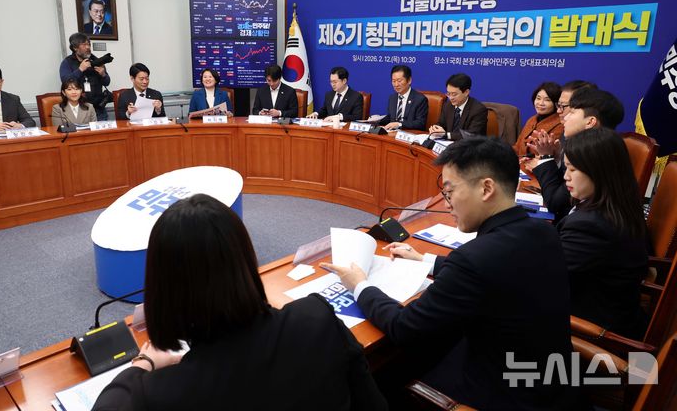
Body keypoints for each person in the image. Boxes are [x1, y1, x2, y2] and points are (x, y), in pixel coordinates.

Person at [322, 137, 581, 410]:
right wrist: (425, 259)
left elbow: (404, 327)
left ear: (486, 188)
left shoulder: (474, 259)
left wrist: (360, 285)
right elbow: (496, 270)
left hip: (506, 395)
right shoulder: (543, 232)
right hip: (551, 382)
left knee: (383, 374)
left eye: (449, 192)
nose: (447, 204)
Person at [92, 194, 387, 411]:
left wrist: (142, 365)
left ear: (162, 286)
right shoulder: (316, 317)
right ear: (245, 259)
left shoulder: (161, 394)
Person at [559, 127, 648, 339]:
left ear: (598, 170)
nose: (565, 177)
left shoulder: (591, 226)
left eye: (572, 169)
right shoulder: (619, 203)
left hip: (594, 332)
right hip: (615, 311)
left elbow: (544, 274)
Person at [530, 87, 624, 222]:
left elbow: (555, 202)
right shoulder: (600, 146)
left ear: (590, 122)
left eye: (572, 112)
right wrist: (556, 158)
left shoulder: (590, 154)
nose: (564, 117)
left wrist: (547, 158)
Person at [59, 32, 111, 120]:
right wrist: (80, 70)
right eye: (84, 44)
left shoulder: (96, 60)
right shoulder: (67, 62)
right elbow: (65, 82)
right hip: (78, 109)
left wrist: (103, 74)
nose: (88, 47)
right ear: (75, 48)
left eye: (89, 44)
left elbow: (107, 82)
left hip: (99, 110)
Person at [428, 73, 487, 140]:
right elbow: (441, 124)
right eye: (448, 93)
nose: (451, 98)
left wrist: (446, 135)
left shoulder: (478, 110)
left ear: (466, 92)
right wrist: (435, 129)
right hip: (448, 144)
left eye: (454, 94)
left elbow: (471, 135)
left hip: (469, 145)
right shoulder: (448, 105)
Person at [513, 82, 563, 156]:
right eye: (538, 98)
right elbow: (517, 147)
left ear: (556, 103)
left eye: (547, 100)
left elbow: (552, 155)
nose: (540, 103)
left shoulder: (561, 124)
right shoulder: (532, 120)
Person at [377, 65, 428, 130]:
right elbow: (390, 118)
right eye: (393, 81)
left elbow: (420, 123)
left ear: (409, 80)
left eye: (399, 81)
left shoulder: (420, 99)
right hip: (393, 133)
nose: (396, 85)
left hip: (409, 133)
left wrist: (399, 124)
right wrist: (376, 122)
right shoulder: (392, 98)